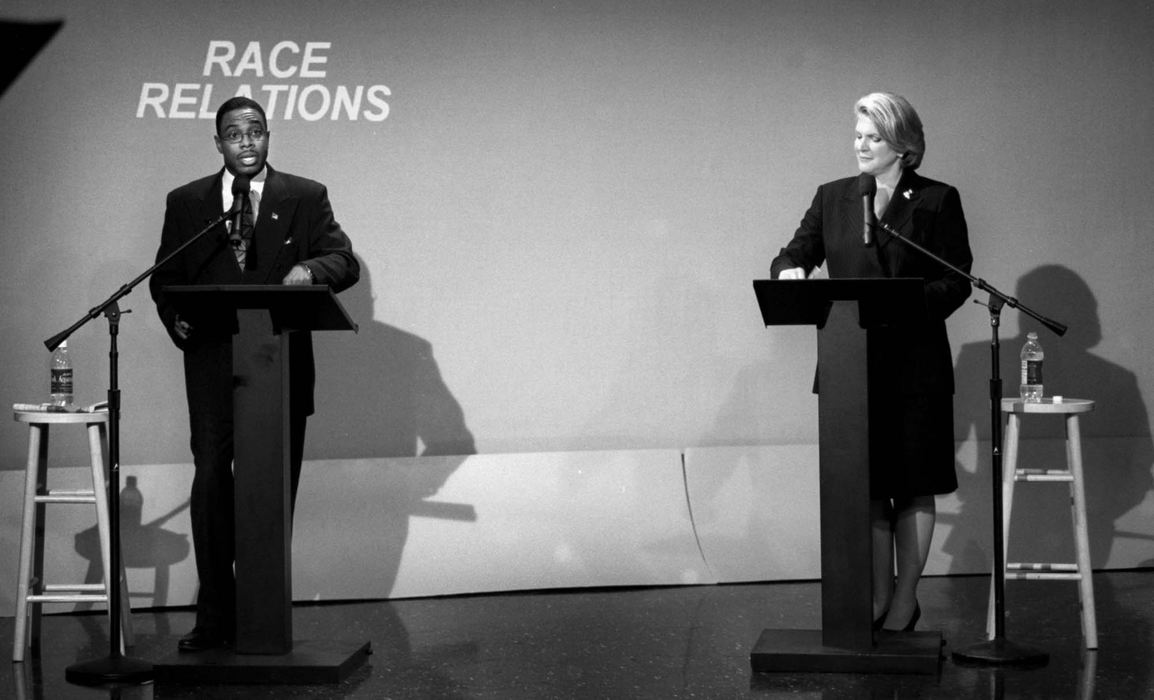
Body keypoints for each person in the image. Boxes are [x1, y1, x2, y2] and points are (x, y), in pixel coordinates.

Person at [150, 96, 359, 652]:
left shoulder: (304, 196)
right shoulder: (189, 202)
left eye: (256, 131)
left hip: (280, 363)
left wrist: (310, 268)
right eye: (234, 133)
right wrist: (176, 318)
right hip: (215, 366)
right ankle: (215, 616)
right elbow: (165, 276)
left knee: (270, 489)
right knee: (213, 484)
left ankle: (263, 612)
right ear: (217, 142)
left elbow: (344, 260)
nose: (246, 141)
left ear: (269, 137)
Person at [770, 92, 973, 632]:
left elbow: (955, 279)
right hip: (850, 367)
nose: (860, 145)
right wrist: (789, 270)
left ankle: (906, 598)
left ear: (903, 146)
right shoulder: (834, 197)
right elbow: (795, 251)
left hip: (914, 367)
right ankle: (877, 596)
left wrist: (907, 303)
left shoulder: (934, 200)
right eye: (857, 135)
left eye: (873, 137)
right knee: (865, 485)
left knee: (911, 483)